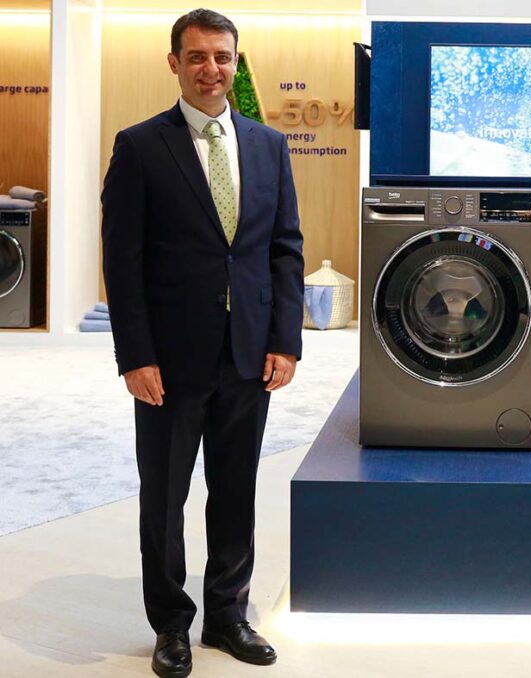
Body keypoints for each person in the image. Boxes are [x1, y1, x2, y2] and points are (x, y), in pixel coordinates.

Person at [101, 8, 303, 678]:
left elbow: (284, 249)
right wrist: (135, 355)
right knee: (164, 497)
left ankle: (226, 615)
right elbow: (122, 259)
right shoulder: (140, 146)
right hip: (169, 359)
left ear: (236, 63)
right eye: (196, 56)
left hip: (248, 352)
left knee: (236, 488)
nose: (210, 68)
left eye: (221, 56)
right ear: (175, 64)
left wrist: (285, 340)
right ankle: (171, 623)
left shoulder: (269, 146)